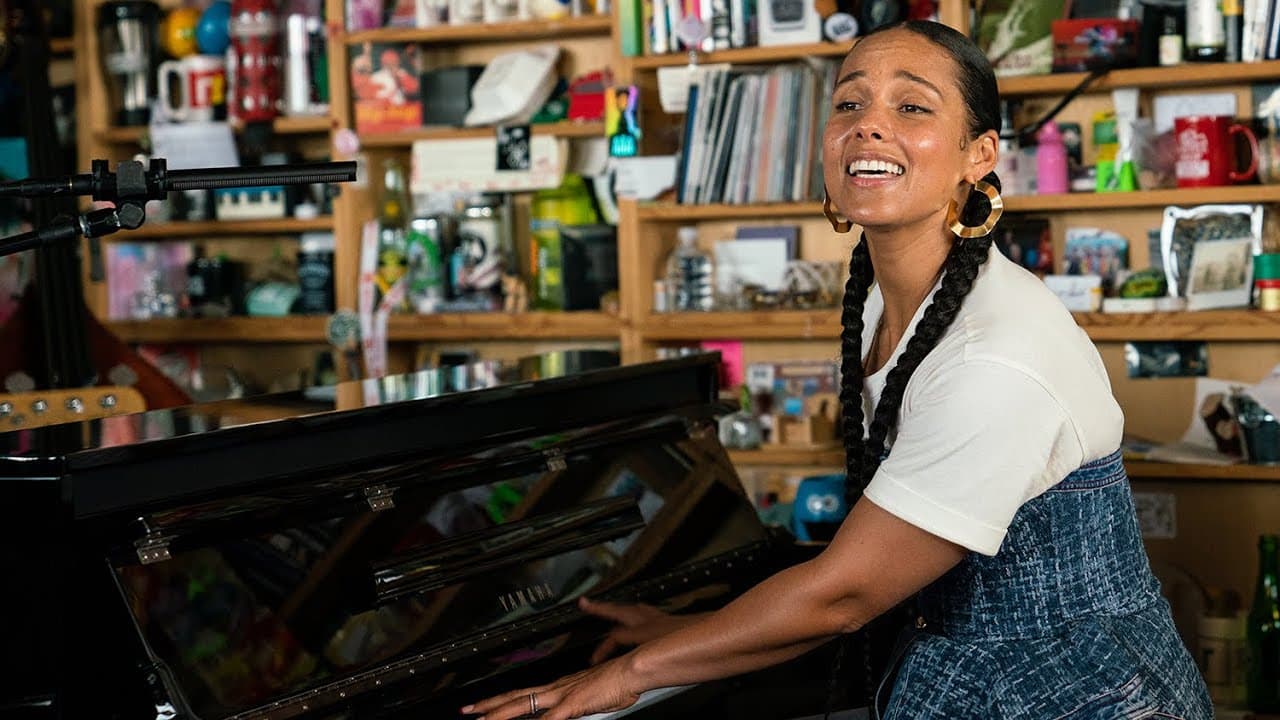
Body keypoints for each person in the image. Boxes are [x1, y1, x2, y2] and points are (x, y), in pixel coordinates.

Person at [462, 20, 1213, 720]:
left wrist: (630, 675)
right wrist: (694, 631)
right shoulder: (885, 306)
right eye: (849, 101)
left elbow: (844, 593)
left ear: (979, 155)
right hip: (955, 670)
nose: (869, 123)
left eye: (913, 106)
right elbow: (870, 565)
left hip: (1078, 695)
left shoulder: (997, 354)